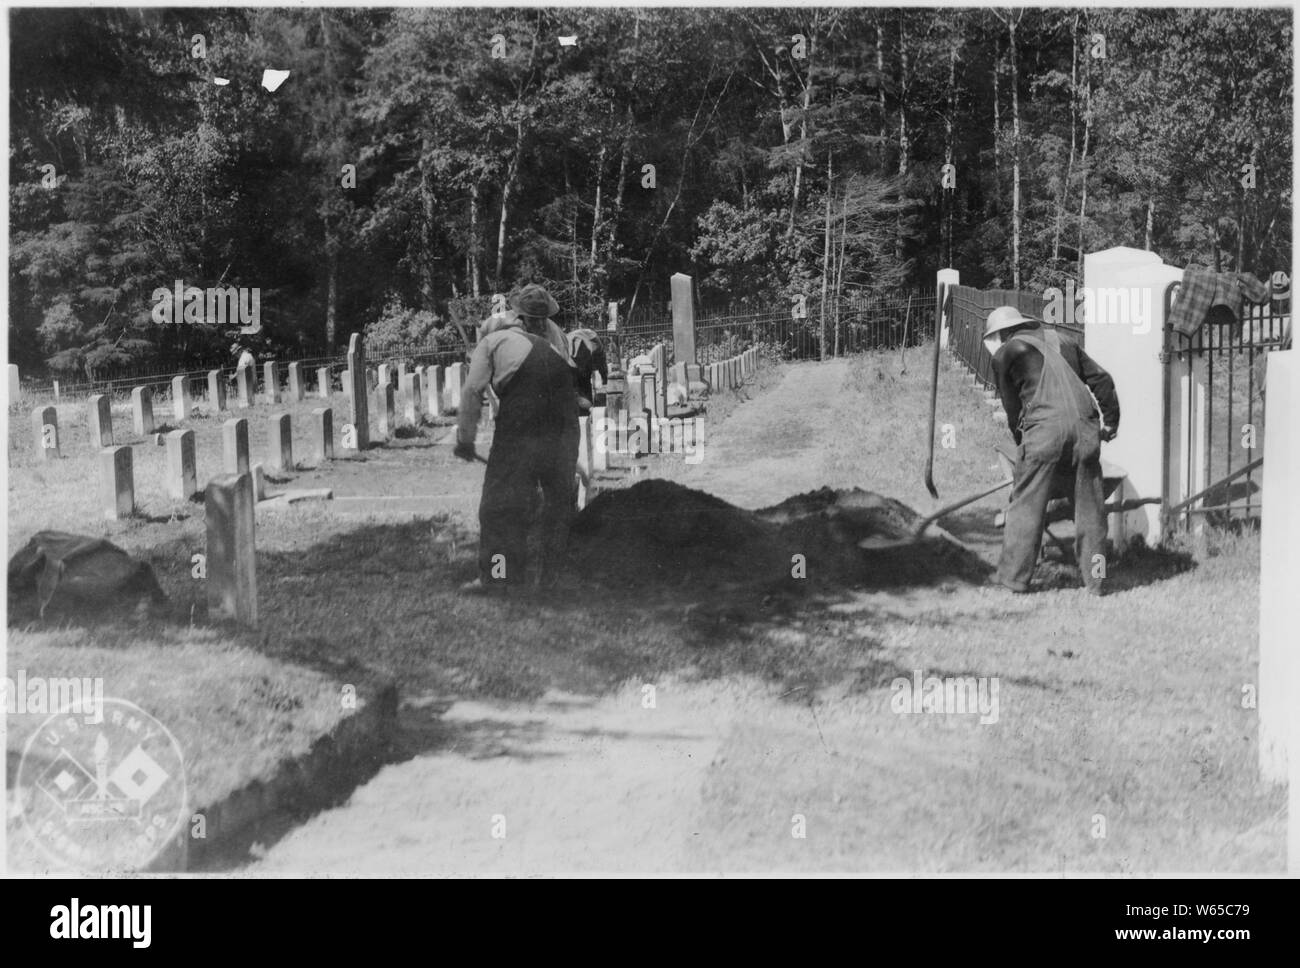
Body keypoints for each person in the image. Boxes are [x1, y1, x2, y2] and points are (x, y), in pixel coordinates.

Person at [985, 306, 1120, 595]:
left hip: (1045, 434)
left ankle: (1013, 580)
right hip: (1086, 431)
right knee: (1092, 511)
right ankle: (1097, 581)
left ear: (1003, 334)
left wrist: (1023, 449)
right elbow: (1102, 380)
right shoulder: (1065, 340)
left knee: (1025, 507)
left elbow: (1013, 411)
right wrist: (1110, 424)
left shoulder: (1007, 353)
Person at [454, 285, 579, 594]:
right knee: (558, 503)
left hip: (522, 419)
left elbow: (472, 391)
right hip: (564, 417)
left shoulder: (491, 342)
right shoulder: (552, 341)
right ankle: (553, 580)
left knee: (497, 507)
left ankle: (499, 578)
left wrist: (465, 439)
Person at [565, 326, 608, 412]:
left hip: (588, 356)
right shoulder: (566, 356)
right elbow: (575, 394)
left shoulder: (595, 343)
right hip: (572, 366)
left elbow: (602, 364)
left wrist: (605, 381)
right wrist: (591, 408)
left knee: (586, 383)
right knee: (576, 392)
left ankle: (588, 412)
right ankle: (586, 410)